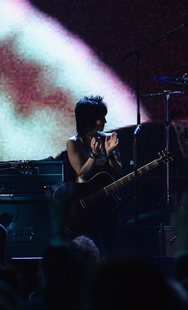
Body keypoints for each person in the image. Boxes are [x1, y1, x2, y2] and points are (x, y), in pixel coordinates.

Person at [65, 95, 123, 257]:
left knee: (113, 247)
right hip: (85, 205)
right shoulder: (74, 142)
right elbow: (82, 173)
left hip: (108, 203)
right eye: (101, 118)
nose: (105, 121)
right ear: (89, 119)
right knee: (90, 248)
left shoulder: (109, 139)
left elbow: (118, 172)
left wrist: (111, 155)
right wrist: (94, 155)